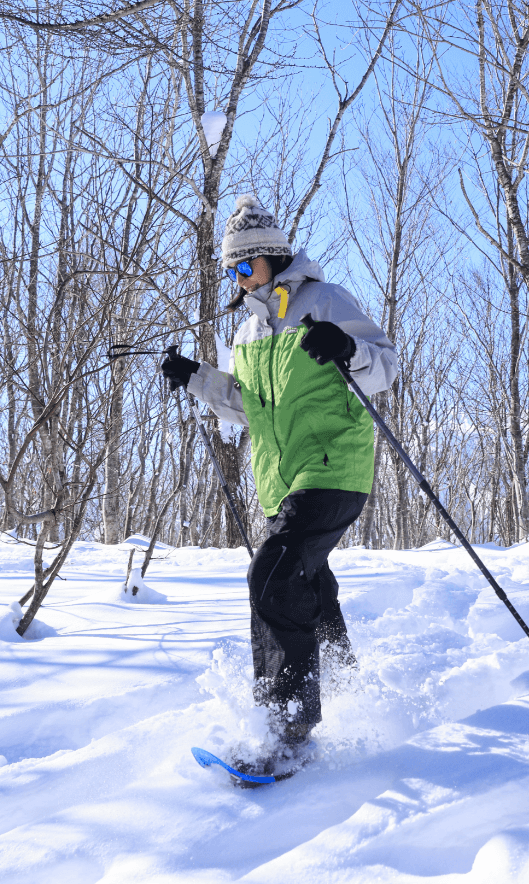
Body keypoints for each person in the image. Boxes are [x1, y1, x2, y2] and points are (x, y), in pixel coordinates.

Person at [161, 194, 399, 774]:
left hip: (332, 467)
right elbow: (247, 406)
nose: (238, 279)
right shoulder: (248, 333)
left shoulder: (324, 300)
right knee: (306, 587)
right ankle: (347, 689)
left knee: (270, 578)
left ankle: (287, 728)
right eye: (231, 271)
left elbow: (385, 367)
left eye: (245, 266)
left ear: (270, 256)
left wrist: (346, 347)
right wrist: (197, 378)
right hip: (283, 482)